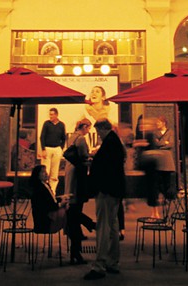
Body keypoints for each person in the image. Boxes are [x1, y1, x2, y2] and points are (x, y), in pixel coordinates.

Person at [83, 119, 126, 281]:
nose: (98, 135)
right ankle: (113, 261)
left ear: (102, 129)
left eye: (98, 131)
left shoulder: (109, 143)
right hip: (115, 190)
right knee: (113, 226)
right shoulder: (114, 142)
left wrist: (92, 162)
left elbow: (105, 168)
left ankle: (99, 265)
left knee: (103, 227)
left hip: (106, 190)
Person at [65, 118, 95, 265]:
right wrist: (91, 157)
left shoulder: (72, 136)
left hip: (70, 173)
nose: (89, 130)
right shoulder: (81, 139)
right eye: (88, 128)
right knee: (76, 210)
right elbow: (84, 156)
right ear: (84, 126)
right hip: (78, 175)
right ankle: (90, 225)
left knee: (73, 210)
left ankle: (88, 225)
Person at [30, 164, 66, 234]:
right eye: (43, 172)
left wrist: (62, 198)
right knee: (69, 213)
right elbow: (48, 206)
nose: (46, 174)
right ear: (37, 175)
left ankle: (86, 226)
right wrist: (61, 204)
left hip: (50, 216)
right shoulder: (39, 189)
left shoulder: (45, 185)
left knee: (71, 212)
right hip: (45, 222)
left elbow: (51, 200)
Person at [39, 107, 67, 194]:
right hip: (47, 148)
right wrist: (43, 149)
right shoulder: (47, 124)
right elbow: (42, 137)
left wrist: (60, 148)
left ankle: (53, 191)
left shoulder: (61, 125)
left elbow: (64, 138)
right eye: (49, 114)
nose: (50, 116)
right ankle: (44, 190)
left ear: (56, 115)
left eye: (52, 114)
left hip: (57, 149)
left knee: (54, 172)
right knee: (45, 170)